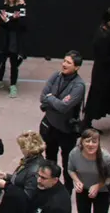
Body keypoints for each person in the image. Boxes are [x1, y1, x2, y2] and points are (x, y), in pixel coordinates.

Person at [40, 50, 86, 180]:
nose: (64, 64)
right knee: (50, 160)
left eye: (68, 63)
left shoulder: (78, 86)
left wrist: (50, 98)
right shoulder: (56, 76)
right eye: (64, 61)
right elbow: (43, 97)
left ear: (76, 67)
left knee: (67, 164)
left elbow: (64, 107)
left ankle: (67, 189)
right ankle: (50, 184)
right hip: (51, 127)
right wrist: (53, 100)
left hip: (66, 131)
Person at [82, 7, 110, 131]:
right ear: (108, 21)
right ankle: (85, 124)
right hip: (103, 75)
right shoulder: (102, 37)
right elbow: (103, 59)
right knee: (97, 99)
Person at [0, 130, 47, 213]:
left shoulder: (34, 171)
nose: (21, 149)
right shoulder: (31, 160)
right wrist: (6, 176)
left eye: (22, 147)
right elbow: (21, 179)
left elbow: (25, 196)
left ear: (28, 149)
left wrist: (6, 185)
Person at [67, 129, 110, 213]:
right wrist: (77, 181)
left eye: (94, 142)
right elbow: (70, 169)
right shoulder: (74, 154)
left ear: (98, 143)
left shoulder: (106, 158)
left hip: (103, 192)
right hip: (83, 190)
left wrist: (98, 186)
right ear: (82, 142)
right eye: (87, 141)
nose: (90, 144)